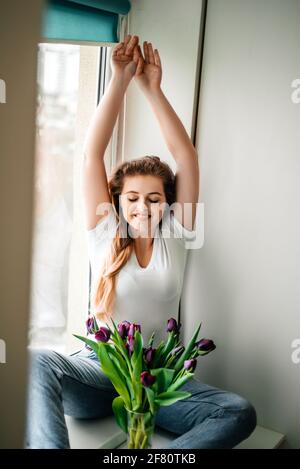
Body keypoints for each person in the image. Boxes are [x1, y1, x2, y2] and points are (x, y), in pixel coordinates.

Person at [25, 35, 257, 449]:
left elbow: (186, 158)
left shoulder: (178, 233)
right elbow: (91, 155)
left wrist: (153, 89)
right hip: (101, 371)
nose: (142, 207)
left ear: (168, 203)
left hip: (158, 380)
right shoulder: (105, 231)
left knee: (239, 411)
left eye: (154, 198)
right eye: (132, 198)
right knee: (37, 363)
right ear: (118, 200)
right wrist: (119, 80)